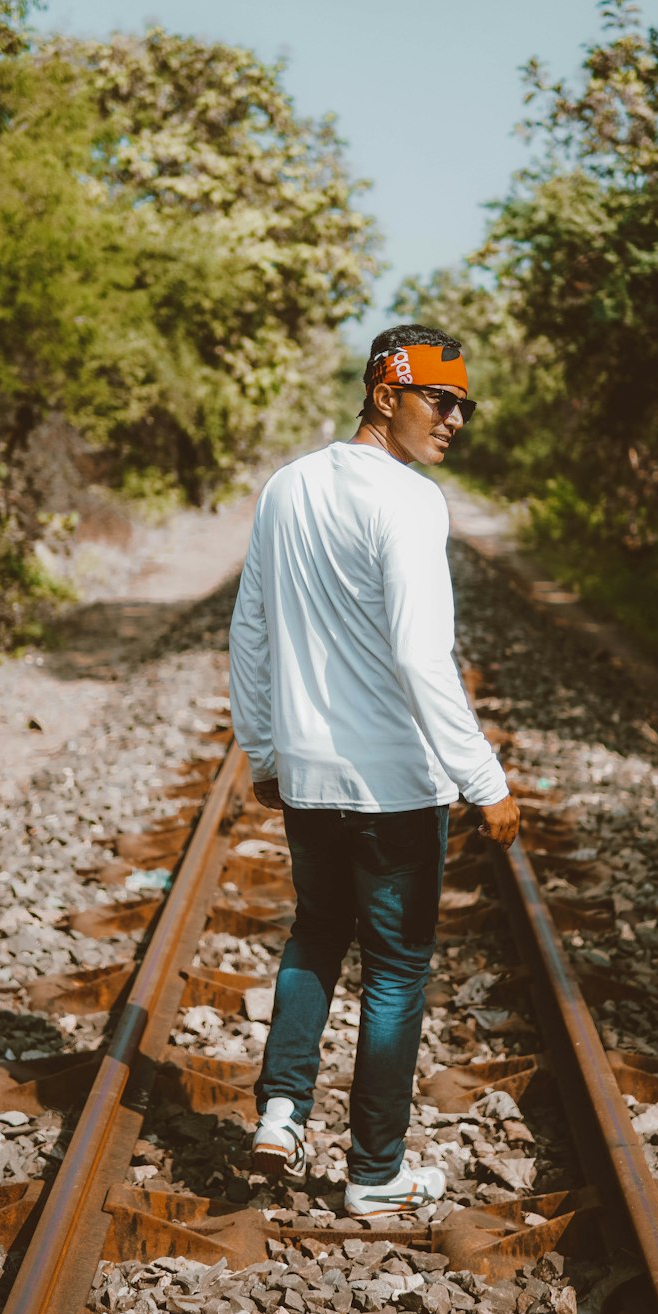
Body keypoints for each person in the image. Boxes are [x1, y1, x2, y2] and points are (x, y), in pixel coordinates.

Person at [228, 323, 518, 1217]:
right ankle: (375, 1171)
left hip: (311, 772)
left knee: (317, 931)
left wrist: (267, 749)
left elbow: (250, 629)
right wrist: (486, 779)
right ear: (386, 394)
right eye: (440, 399)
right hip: (395, 780)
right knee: (396, 970)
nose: (455, 419)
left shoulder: (287, 487)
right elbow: (422, 655)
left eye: (465, 405)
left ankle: (281, 1112)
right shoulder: (411, 500)